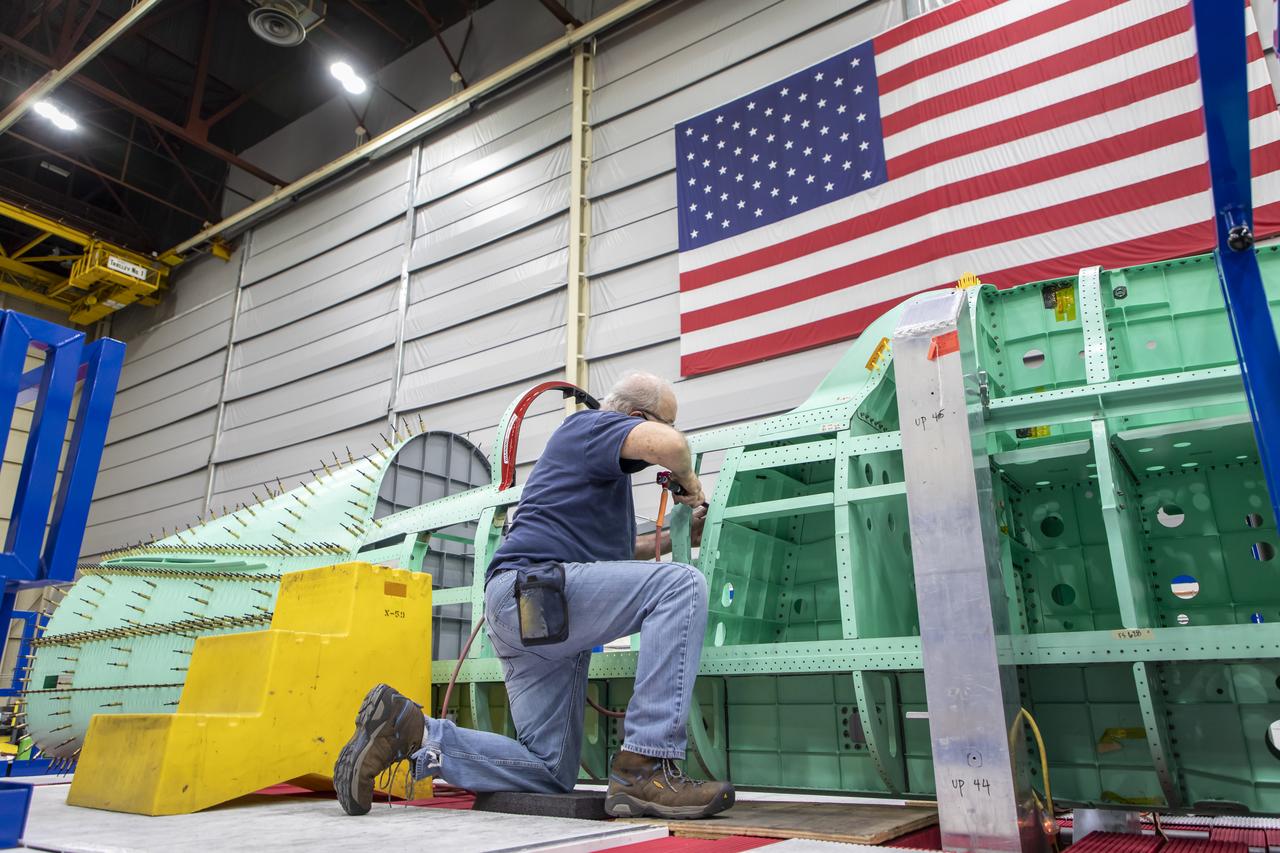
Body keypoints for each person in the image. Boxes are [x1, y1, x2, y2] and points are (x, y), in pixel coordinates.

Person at [333, 372, 735, 819]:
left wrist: (679, 536)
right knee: (681, 586)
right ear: (637, 418)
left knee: (549, 769)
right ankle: (645, 767)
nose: (673, 432)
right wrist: (691, 483)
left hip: (532, 612)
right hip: (538, 591)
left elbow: (623, 554)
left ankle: (410, 731)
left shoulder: (598, 478)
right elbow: (673, 448)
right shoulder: (588, 426)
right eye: (669, 421)